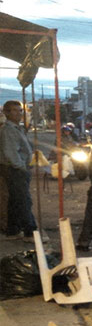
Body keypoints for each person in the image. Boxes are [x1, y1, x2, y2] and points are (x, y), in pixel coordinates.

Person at [0, 100, 38, 242]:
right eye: (15, 110)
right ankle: (30, 232)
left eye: (20, 110)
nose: (19, 113)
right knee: (24, 200)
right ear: (6, 113)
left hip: (17, 168)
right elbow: (11, 154)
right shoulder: (8, 130)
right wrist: (22, 167)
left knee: (15, 200)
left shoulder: (17, 128)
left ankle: (13, 230)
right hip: (15, 169)